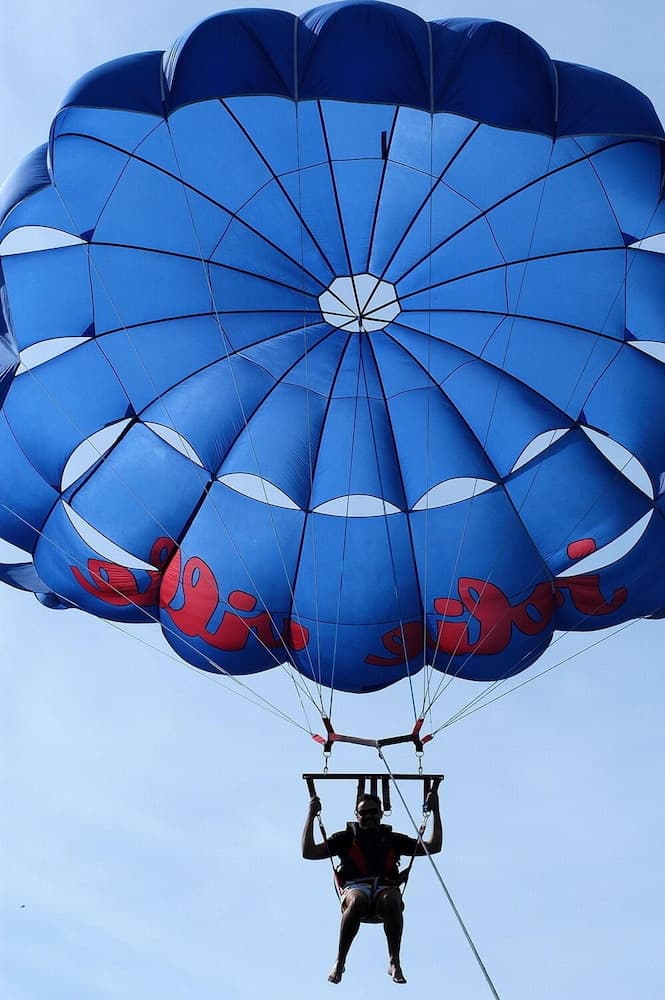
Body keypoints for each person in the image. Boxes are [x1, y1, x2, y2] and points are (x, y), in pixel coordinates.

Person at [302, 787, 442, 985]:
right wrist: (311, 814)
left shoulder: (393, 839)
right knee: (358, 900)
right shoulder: (346, 838)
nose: (369, 816)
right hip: (355, 887)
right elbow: (308, 852)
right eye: (364, 813)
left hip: (385, 889)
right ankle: (340, 961)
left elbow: (434, 846)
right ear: (357, 815)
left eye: (373, 812)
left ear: (381, 814)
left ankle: (394, 961)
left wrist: (435, 810)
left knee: (391, 899)